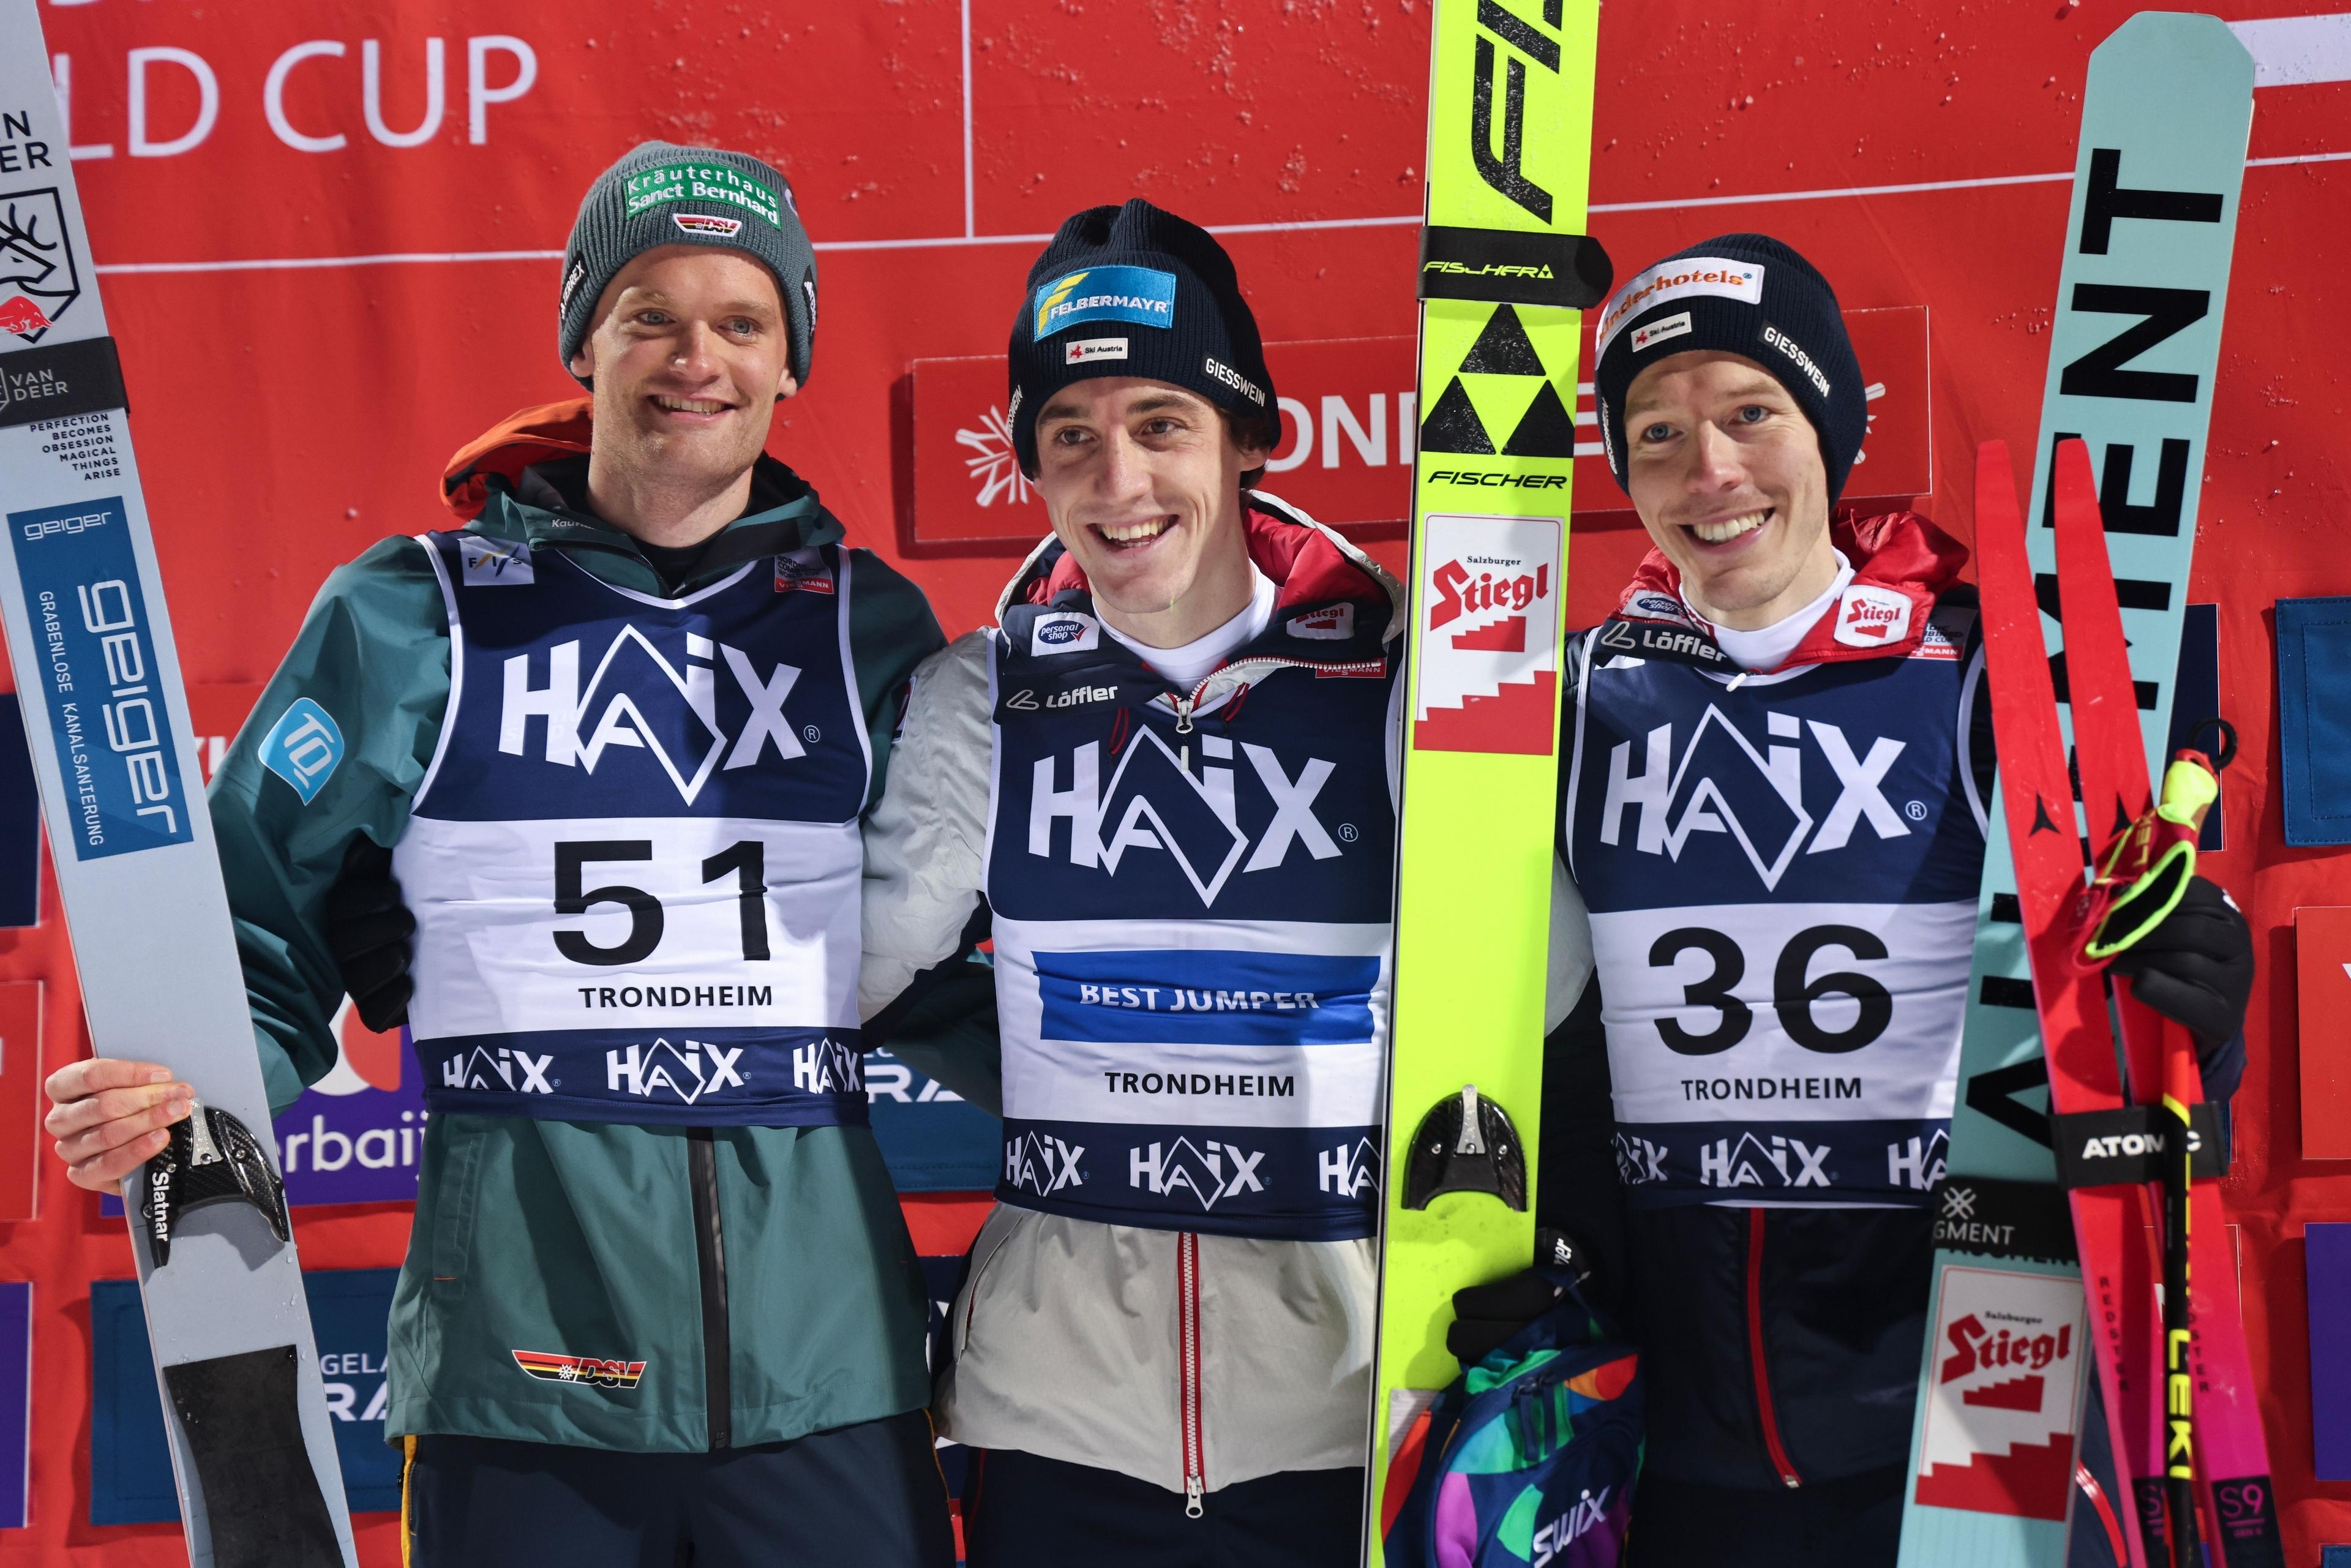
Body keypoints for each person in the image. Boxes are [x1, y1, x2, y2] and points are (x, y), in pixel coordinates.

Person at [42, 141, 959, 1568]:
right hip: (520, 1378)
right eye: (650, 314)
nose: (695, 359)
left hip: (828, 1378)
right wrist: (170, 1101)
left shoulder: (870, 626)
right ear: (583, 337)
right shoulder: (413, 611)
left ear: (791, 361)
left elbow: (968, 956)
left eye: (742, 321)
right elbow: (251, 931)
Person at [1452, 233, 2255, 1566]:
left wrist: (2200, 1012)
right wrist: (1549, 1260)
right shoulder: (1573, 706)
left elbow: (2120, 1046)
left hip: (1969, 1422)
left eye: (1750, 413)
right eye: (1657, 433)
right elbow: (1530, 1030)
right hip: (1676, 1456)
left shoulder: (1986, 677)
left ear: (1831, 428)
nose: (1710, 471)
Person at [858, 198, 1398, 1566]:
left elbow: (1551, 994)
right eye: (1071, 437)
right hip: (1058, 1429)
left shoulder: (1401, 682)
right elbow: (844, 971)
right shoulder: (983, 697)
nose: (1118, 482)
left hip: (1348, 1419)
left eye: (1162, 425)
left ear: (1250, 436)